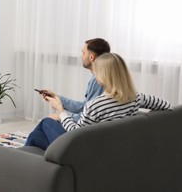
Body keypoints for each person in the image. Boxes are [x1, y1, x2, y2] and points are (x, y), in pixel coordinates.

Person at [26, 53, 172, 150]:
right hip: (109, 148)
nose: (94, 73)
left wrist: (60, 111)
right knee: (37, 138)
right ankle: (28, 155)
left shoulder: (96, 105)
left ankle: (23, 159)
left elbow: (76, 133)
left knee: (46, 123)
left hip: (82, 151)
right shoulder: (135, 97)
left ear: (104, 74)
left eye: (97, 70)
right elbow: (166, 105)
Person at [40, 38, 111, 122]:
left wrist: (60, 117)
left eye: (83, 53)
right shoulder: (102, 77)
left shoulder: (98, 80)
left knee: (46, 122)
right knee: (46, 123)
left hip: (87, 129)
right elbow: (84, 107)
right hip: (93, 125)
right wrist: (56, 97)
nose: (81, 56)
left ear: (91, 57)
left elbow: (87, 115)